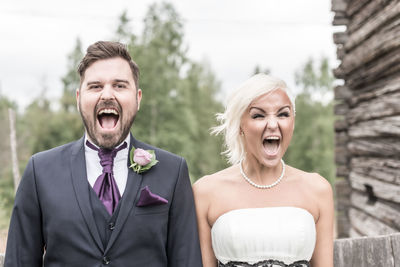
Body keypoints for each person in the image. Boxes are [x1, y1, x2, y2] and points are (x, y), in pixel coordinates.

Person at [5, 41, 202, 267]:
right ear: (79, 98)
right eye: (95, 86)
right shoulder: (39, 171)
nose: (107, 95)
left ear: (138, 98)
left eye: (119, 86)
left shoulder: (173, 171)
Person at [193, 74, 334, 267]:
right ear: (240, 125)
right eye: (259, 115)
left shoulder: (318, 190)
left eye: (283, 114)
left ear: (292, 122)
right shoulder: (205, 192)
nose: (273, 124)